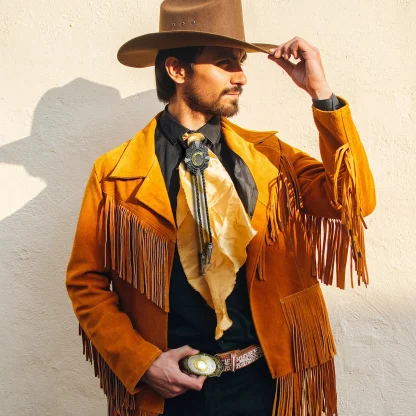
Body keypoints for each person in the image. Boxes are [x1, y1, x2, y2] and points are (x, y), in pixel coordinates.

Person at [66, 0, 376, 415]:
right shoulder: (115, 174)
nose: (242, 76)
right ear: (177, 70)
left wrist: (321, 95)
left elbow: (355, 201)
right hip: (169, 393)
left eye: (242, 62)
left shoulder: (272, 159)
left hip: (265, 387)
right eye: (226, 62)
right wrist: (142, 362)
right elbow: (86, 283)